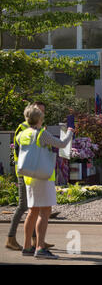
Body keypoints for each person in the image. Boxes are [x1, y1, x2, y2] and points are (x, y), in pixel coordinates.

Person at [18, 104, 73, 259]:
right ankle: (40, 248)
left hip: (29, 177)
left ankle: (27, 246)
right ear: (40, 119)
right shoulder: (41, 133)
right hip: (43, 176)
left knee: (32, 211)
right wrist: (70, 132)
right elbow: (62, 144)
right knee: (45, 211)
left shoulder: (22, 134)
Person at [5, 102, 55, 251]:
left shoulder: (37, 129)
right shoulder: (24, 128)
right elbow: (24, 152)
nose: (42, 114)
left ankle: (36, 240)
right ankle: (11, 238)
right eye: (40, 111)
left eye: (43, 111)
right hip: (26, 172)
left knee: (34, 208)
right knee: (24, 206)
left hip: (34, 172)